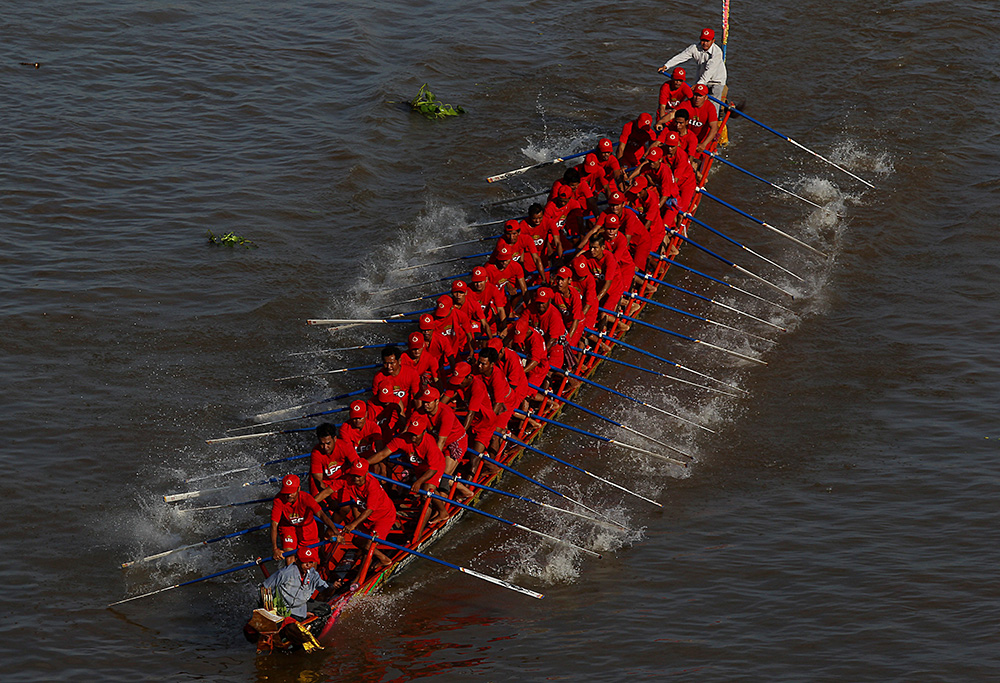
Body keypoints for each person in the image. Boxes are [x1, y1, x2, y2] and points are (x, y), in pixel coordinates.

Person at [332, 458, 397, 569]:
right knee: (357, 540)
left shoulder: (372, 485)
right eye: (354, 475)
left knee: (368, 544)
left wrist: (353, 525)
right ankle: (371, 556)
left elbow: (369, 509)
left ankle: (384, 560)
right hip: (369, 517)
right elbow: (329, 491)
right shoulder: (349, 481)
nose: (356, 479)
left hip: (384, 516)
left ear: (366, 473)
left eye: (359, 476)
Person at [270, 474, 339, 564]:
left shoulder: (306, 498)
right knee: (289, 556)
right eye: (286, 492)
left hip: (307, 527)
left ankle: (312, 573)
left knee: (310, 560)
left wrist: (336, 532)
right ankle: (292, 576)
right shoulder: (278, 500)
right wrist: (275, 549)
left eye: (292, 492)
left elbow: (322, 515)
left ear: (299, 489)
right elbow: (274, 524)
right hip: (288, 527)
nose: (289, 495)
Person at [658, 28, 727, 114]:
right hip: (701, 79)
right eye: (703, 40)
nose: (704, 43)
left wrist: (699, 84)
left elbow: (709, 71)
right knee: (694, 101)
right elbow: (682, 56)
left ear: (713, 41)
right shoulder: (694, 48)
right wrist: (666, 65)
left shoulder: (717, 53)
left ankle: (715, 119)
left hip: (716, 81)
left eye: (707, 41)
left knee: (713, 105)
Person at [260, 546, 333, 621]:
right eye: (305, 562)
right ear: (297, 560)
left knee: (326, 609)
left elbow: (324, 589)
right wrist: (269, 610)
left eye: (311, 562)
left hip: (301, 606)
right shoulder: (285, 573)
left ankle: (305, 617)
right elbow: (265, 587)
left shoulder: (312, 573)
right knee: (292, 622)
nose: (308, 565)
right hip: (285, 609)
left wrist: (333, 587)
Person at [371, 344, 419, 437]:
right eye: (386, 363)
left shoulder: (411, 373)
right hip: (388, 416)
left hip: (407, 412)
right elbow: (376, 402)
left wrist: (417, 418)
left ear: (399, 361)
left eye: (392, 363)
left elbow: (417, 397)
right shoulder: (379, 377)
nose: (388, 366)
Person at [309, 423, 359, 498]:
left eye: (328, 443)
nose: (325, 447)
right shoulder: (316, 453)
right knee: (319, 504)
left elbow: (358, 467)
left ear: (335, 439)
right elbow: (318, 480)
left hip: (341, 480)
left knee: (345, 508)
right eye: (322, 444)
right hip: (324, 482)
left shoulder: (345, 446)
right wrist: (329, 499)